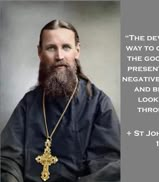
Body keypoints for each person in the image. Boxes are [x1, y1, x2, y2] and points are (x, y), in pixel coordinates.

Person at [1, 20, 120, 182]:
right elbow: (8, 158)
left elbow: (108, 166)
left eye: (66, 47)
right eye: (51, 48)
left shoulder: (99, 104)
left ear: (77, 51)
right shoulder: (29, 103)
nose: (59, 56)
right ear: (40, 53)